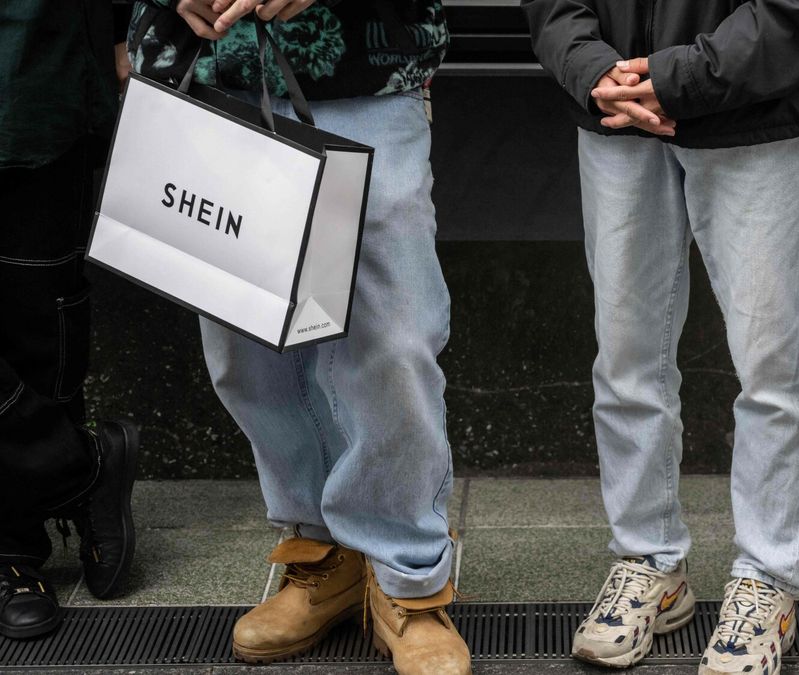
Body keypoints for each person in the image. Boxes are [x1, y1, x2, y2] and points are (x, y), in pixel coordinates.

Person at [129, 1, 467, 673]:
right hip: (208, 65)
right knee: (247, 349)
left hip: (363, 64)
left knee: (393, 336)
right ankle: (320, 551)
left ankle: (410, 578)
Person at [524, 1, 799, 672]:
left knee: (776, 366)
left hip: (765, 109)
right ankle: (648, 560)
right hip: (618, 109)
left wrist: (682, 76)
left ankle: (769, 578)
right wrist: (588, 65)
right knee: (626, 355)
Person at [0, 0, 141, 640]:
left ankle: (10, 547)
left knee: (36, 308)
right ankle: (75, 469)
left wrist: (120, 28)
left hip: (39, 67)